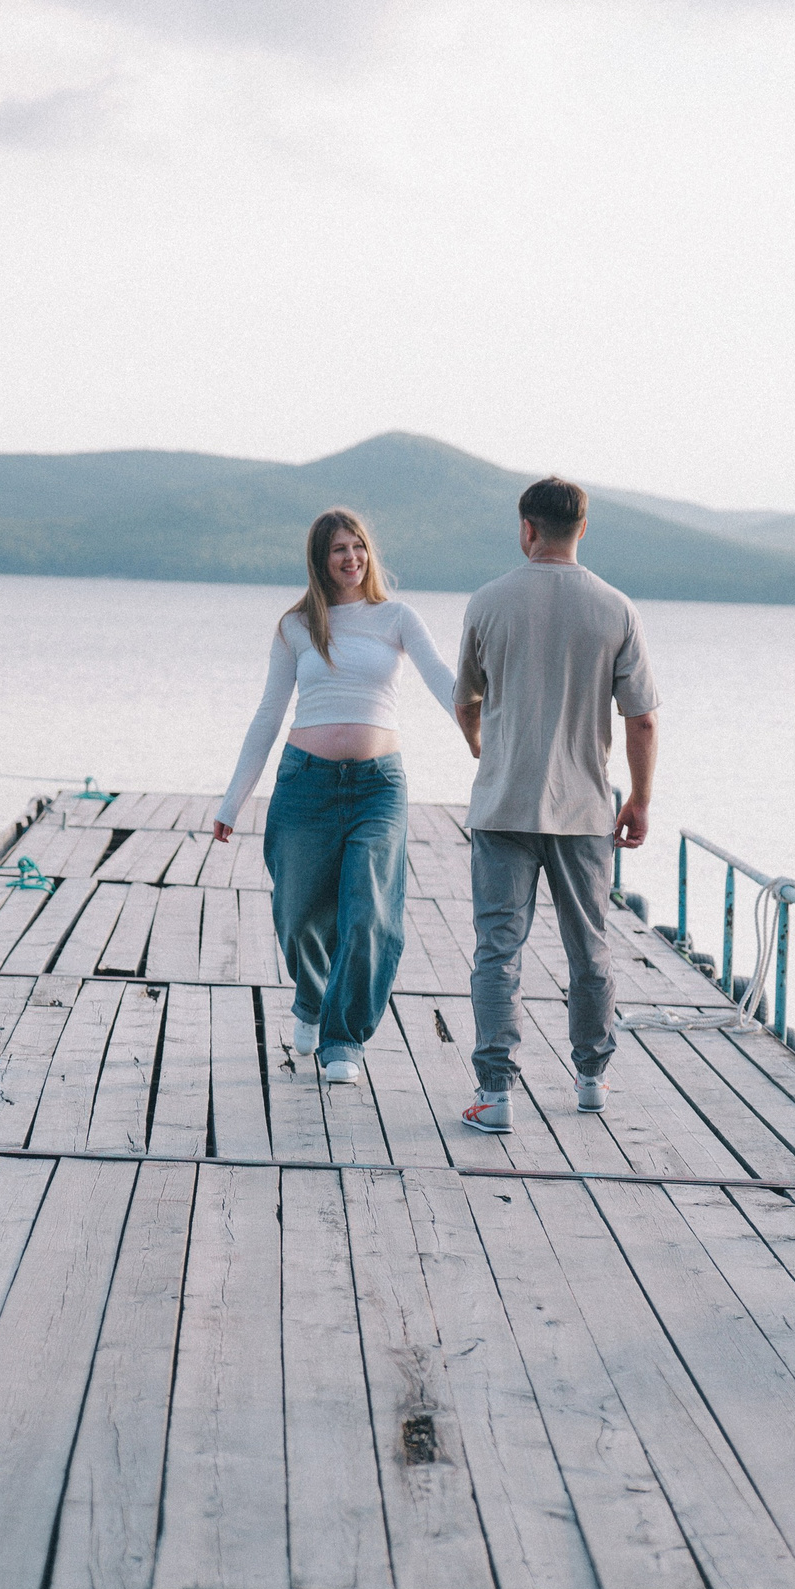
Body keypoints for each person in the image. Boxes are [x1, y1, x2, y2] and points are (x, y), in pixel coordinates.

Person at [212, 508, 458, 1084]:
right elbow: (269, 714)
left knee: (369, 914)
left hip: (379, 788)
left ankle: (343, 1039)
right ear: (321, 562)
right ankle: (311, 999)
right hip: (306, 784)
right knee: (299, 915)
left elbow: (443, 681)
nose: (351, 558)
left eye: (359, 547)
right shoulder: (296, 625)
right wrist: (232, 801)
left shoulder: (397, 617)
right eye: (339, 550)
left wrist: (484, 735)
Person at [454, 476, 659, 1133]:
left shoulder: (488, 602)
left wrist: (483, 746)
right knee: (589, 947)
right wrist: (642, 800)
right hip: (582, 808)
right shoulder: (616, 608)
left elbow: (467, 700)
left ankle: (496, 1093)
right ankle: (592, 1079)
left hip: (504, 803)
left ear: (527, 528)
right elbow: (642, 721)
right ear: (582, 528)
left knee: (498, 951)